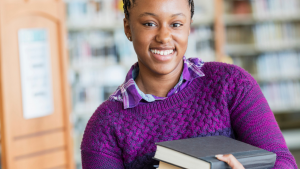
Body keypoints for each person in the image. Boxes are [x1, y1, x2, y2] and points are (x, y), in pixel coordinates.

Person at [80, 0, 298, 168]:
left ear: (189, 27)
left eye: (176, 24)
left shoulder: (232, 84)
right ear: (128, 28)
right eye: (149, 24)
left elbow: (282, 161)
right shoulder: (104, 127)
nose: (164, 36)